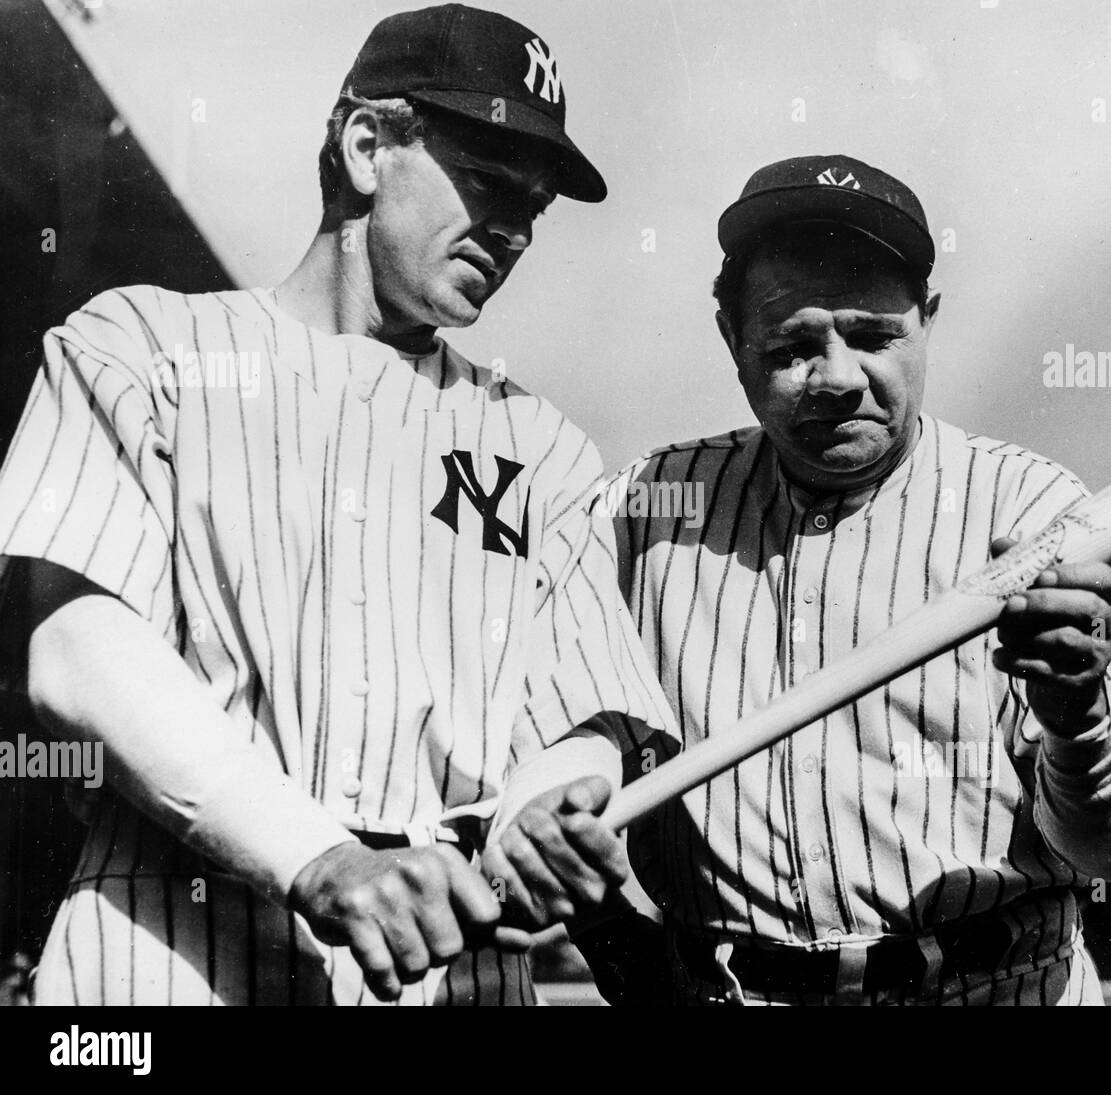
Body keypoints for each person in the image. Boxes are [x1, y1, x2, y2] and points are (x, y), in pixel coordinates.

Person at [0, 4, 675, 1006]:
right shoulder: (141, 345)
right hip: (172, 953)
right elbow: (78, 647)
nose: (518, 230)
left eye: (535, 207)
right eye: (490, 184)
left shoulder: (542, 445)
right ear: (366, 146)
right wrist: (320, 856)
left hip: (452, 961)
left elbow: (593, 717)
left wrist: (547, 802)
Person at [593, 154, 1111, 1005]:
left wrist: (1081, 715)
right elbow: (525, 745)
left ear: (929, 320)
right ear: (730, 336)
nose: (839, 378)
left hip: (996, 987)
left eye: (875, 336)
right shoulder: (645, 507)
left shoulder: (1037, 509)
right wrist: (613, 941)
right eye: (792, 344)